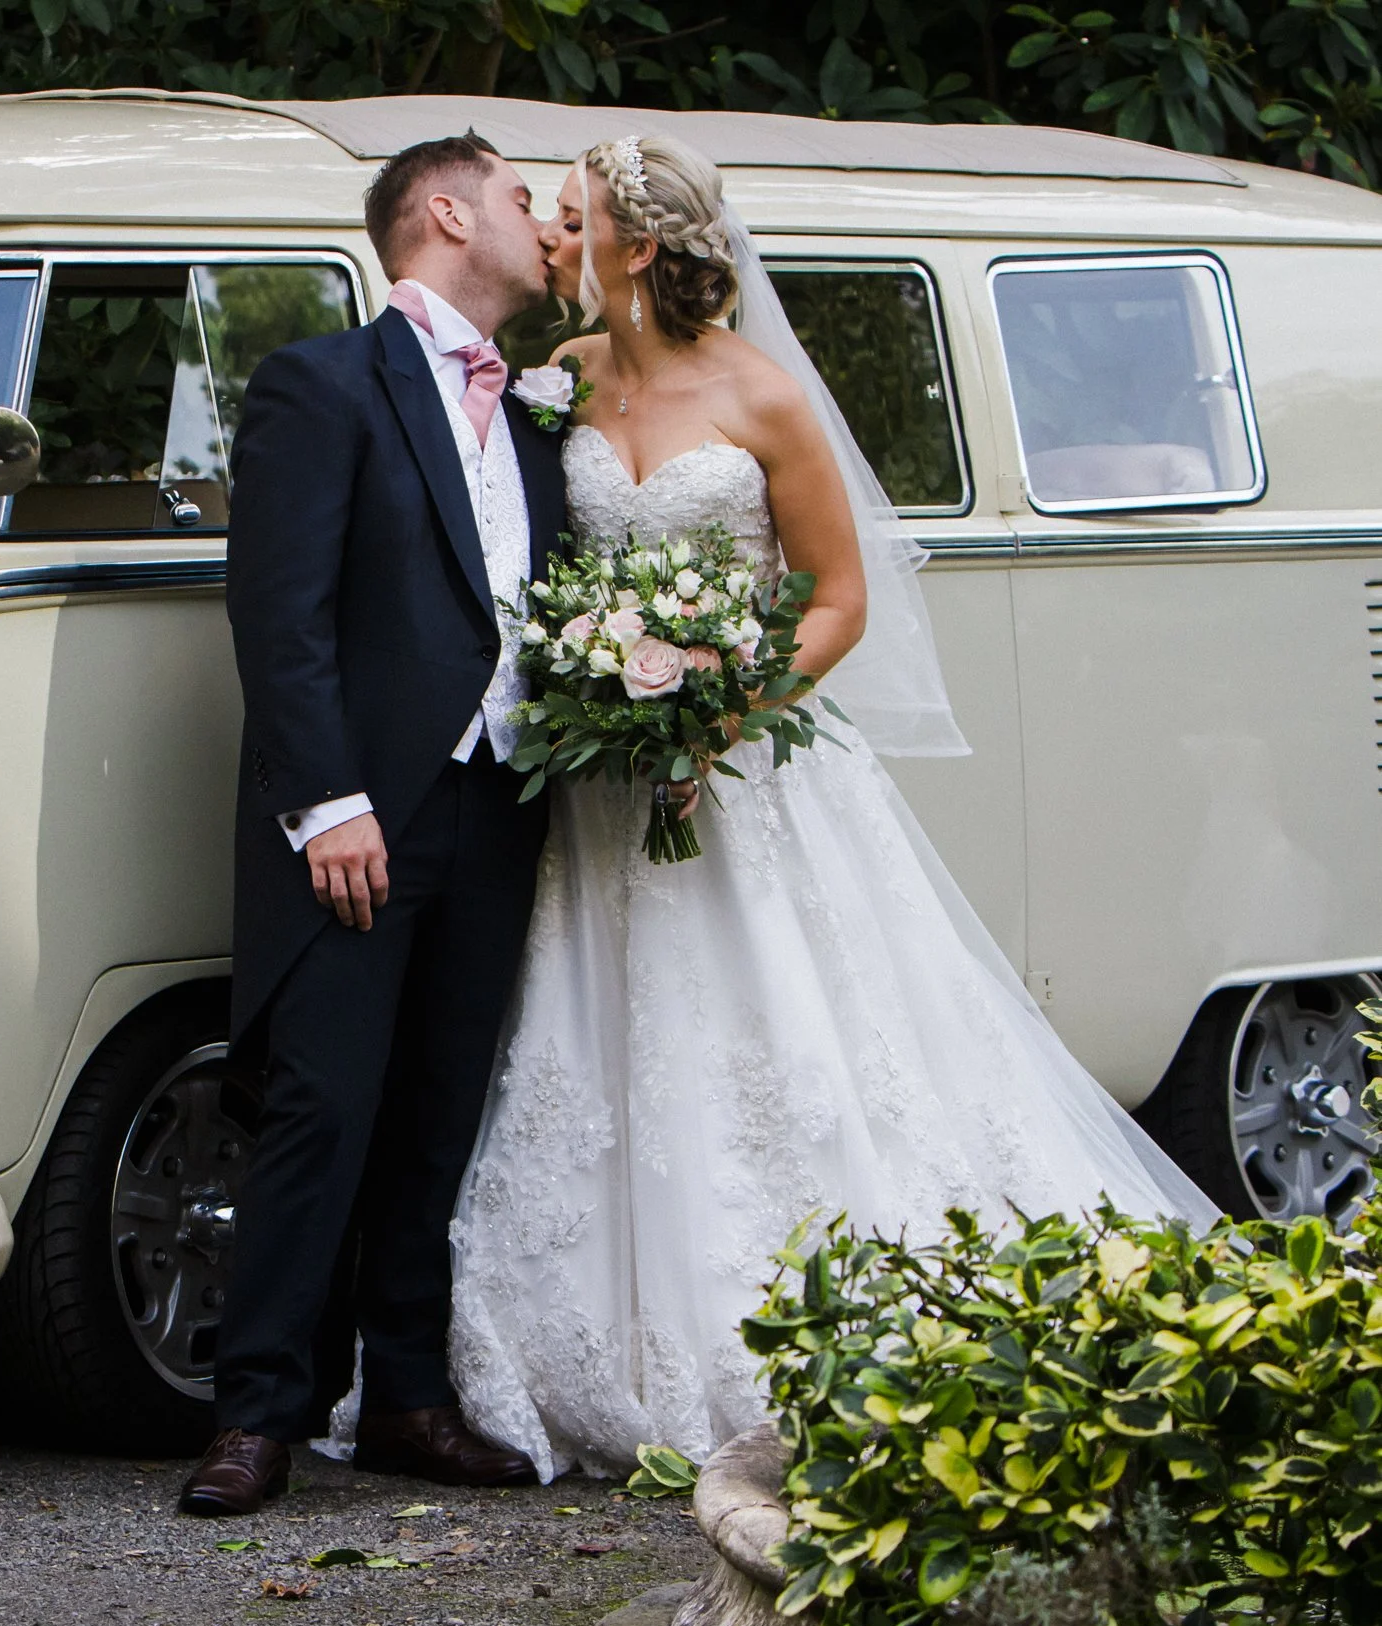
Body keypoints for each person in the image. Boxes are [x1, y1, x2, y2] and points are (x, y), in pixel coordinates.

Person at [440, 133, 1219, 1481]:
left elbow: (839, 598)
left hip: (744, 781)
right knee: (589, 1046)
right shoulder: (562, 384)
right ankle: (576, 1346)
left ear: (637, 243)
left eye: (570, 218)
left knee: (777, 1039)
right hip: (602, 798)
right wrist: (600, 682)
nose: (550, 238)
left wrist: (715, 711)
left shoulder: (763, 398)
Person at [177, 132, 570, 1517]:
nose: (544, 220)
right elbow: (279, 617)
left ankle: (407, 1396)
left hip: (500, 803)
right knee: (322, 1106)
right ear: (448, 212)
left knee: (439, 1109)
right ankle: (256, 1413)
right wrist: (326, 802)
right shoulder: (321, 382)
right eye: (524, 199)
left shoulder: (535, 419)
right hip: (362, 814)